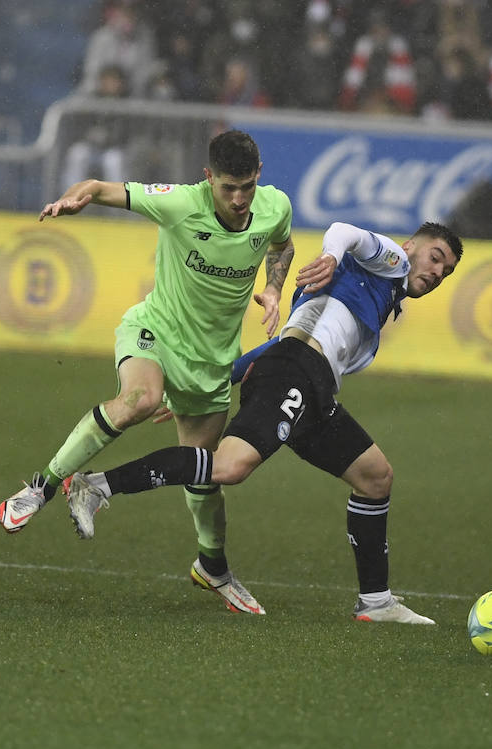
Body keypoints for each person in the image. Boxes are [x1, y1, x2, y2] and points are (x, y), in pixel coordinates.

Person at [61, 220, 462, 622]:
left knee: (376, 478)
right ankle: (97, 487)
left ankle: (376, 601)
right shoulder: (391, 261)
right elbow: (345, 231)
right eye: (435, 257)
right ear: (411, 245)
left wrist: (220, 378)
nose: (436, 273)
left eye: (445, 272)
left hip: (309, 384)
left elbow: (276, 345)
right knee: (229, 467)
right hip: (298, 375)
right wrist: (329, 256)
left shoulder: (379, 290)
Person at [0, 130, 297, 606]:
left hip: (210, 364)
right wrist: (74, 201)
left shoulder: (275, 206)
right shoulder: (180, 203)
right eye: (227, 188)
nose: (239, 199)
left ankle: (213, 568)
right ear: (207, 179)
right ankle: (41, 488)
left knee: (205, 477)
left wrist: (275, 288)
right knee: (141, 399)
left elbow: (282, 246)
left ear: (259, 176)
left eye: (246, 187)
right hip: (154, 333)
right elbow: (98, 186)